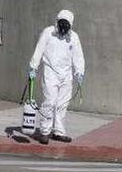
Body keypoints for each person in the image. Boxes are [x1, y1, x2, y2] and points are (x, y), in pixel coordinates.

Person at [28, 10, 85, 145]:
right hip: (51, 73)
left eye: (66, 25)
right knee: (49, 102)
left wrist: (79, 72)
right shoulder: (48, 33)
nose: (63, 28)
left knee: (62, 104)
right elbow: (39, 50)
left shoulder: (74, 37)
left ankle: (59, 132)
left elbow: (78, 56)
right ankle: (45, 132)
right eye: (62, 24)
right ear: (57, 22)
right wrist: (33, 67)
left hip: (66, 75)